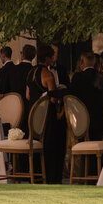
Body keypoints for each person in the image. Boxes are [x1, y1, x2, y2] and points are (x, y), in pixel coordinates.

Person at [26, 44, 66, 184]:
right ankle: (53, 176)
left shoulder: (31, 73)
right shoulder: (48, 74)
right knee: (55, 141)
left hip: (32, 115)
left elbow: (27, 95)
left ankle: (37, 173)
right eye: (52, 57)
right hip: (47, 117)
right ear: (47, 58)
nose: (53, 59)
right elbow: (53, 98)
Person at [70, 52, 103, 139]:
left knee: (81, 148)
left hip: (80, 121)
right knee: (97, 146)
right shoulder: (102, 78)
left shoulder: (77, 77)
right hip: (98, 120)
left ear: (82, 62)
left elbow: (72, 98)